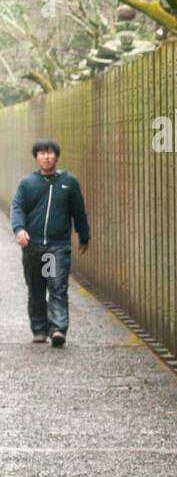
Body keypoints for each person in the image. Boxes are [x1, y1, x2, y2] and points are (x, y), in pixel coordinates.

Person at [9, 139, 90, 347]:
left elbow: (78, 211)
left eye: (50, 153)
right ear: (36, 157)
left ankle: (58, 329)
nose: (46, 157)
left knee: (56, 286)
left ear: (57, 156)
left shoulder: (68, 182)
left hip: (56, 246)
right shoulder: (28, 183)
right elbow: (17, 208)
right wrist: (19, 229)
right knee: (37, 288)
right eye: (42, 153)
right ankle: (39, 329)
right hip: (34, 246)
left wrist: (84, 235)